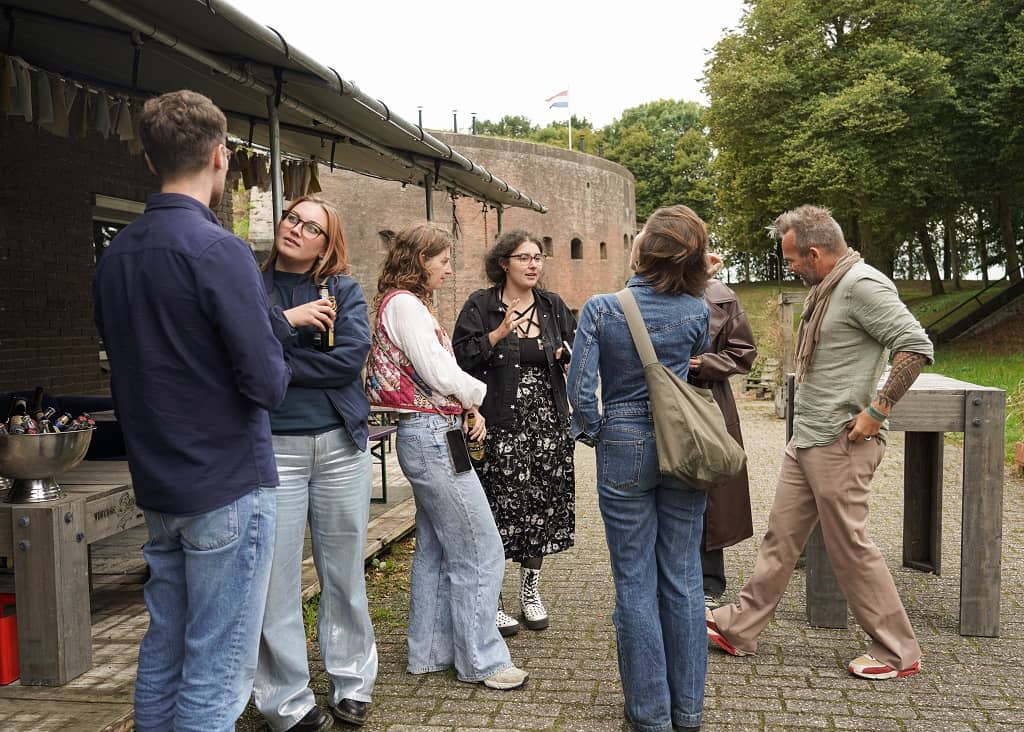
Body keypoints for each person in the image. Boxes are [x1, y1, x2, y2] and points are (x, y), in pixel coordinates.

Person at [93, 90, 289, 732]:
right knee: (216, 671)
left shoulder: (116, 254)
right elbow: (266, 383)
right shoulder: (219, 249)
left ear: (150, 162)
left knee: (165, 652)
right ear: (220, 156)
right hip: (227, 481)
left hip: (159, 483)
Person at [706, 204, 934, 680]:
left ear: (814, 252)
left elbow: (915, 346)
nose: (789, 267)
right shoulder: (830, 288)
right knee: (780, 538)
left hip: (842, 441)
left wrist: (877, 411)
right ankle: (740, 627)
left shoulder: (862, 285)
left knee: (849, 544)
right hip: (807, 438)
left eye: (792, 259)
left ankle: (898, 652)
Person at [364, 222, 529, 690]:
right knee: (481, 547)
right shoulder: (406, 306)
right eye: (442, 260)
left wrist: (466, 406)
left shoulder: (402, 304)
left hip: (428, 434)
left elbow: (436, 372)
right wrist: (476, 395)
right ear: (420, 261)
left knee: (437, 548)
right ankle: (483, 661)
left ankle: (430, 652)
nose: (449, 268)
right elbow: (438, 369)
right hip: (434, 437)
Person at [567, 204, 712, 732]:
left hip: (624, 439)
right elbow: (695, 361)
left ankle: (649, 716)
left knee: (633, 578)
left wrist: (595, 433)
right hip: (684, 445)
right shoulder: (697, 310)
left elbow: (581, 391)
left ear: (645, 248)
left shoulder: (602, 308)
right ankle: (687, 713)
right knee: (683, 576)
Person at [253, 196, 377, 731]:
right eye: (292, 219)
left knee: (344, 572)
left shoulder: (343, 290)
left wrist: (275, 354)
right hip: (272, 447)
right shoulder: (249, 284)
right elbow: (235, 357)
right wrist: (288, 321)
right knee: (275, 579)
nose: (297, 230)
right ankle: (285, 701)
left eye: (312, 228)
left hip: (339, 447)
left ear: (328, 245)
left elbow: (350, 359)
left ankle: (352, 682)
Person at [452, 230, 577, 637]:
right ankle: (495, 599)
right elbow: (461, 359)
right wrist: (497, 335)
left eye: (538, 257)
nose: (533, 264)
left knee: (540, 507)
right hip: (500, 422)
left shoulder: (553, 306)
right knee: (498, 508)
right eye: (524, 258)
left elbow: (576, 348)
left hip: (547, 423)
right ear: (504, 262)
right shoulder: (481, 305)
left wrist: (565, 354)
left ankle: (530, 591)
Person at [688, 275, 757, 610]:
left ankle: (708, 582)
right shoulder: (644, 293)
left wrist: (704, 363)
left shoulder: (721, 297)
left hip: (710, 401)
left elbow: (743, 352)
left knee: (710, 490)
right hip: (656, 402)